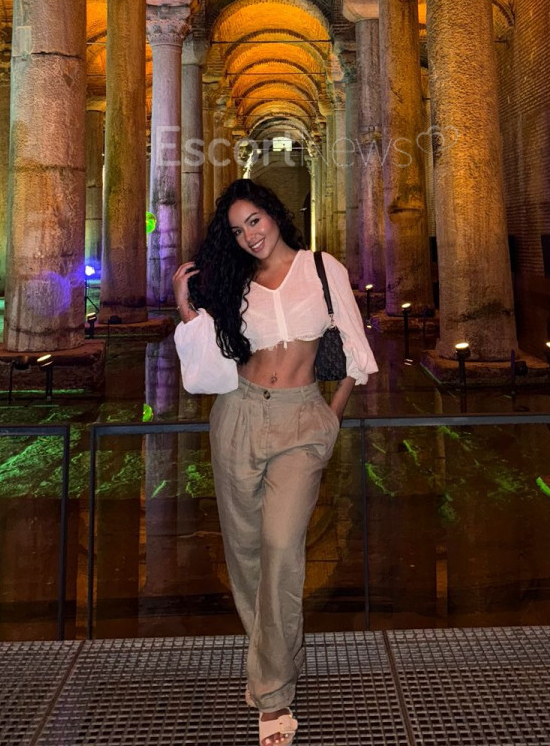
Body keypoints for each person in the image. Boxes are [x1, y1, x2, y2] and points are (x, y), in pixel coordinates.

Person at [173, 179, 377, 746]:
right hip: (238, 417)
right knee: (244, 554)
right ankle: (276, 656)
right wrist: (186, 306)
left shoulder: (323, 268)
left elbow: (355, 352)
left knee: (283, 547)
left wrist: (330, 417)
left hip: (301, 421)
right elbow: (210, 363)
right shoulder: (236, 282)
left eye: (255, 221)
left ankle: (273, 693)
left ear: (274, 215)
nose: (249, 236)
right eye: (238, 230)